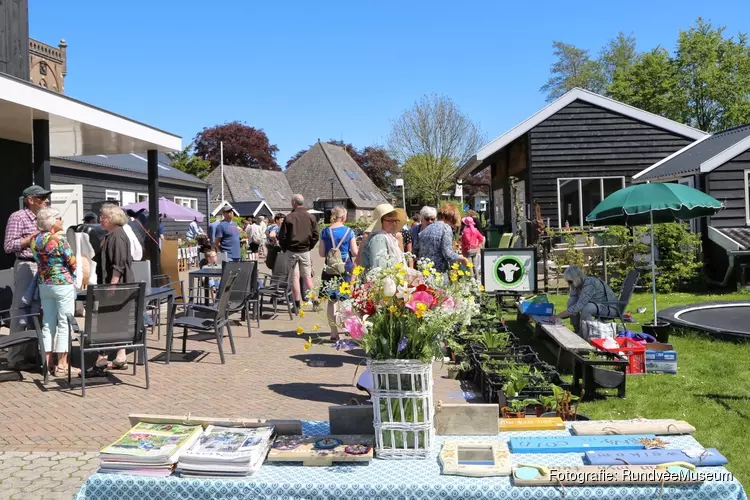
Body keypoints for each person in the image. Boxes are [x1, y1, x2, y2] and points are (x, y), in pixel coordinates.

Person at [3, 185, 50, 369]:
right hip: (26, 264)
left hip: (44, 266)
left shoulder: (45, 217)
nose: (47, 201)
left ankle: (31, 354)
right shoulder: (18, 217)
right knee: (21, 310)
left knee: (38, 309)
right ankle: (14, 357)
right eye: (42, 197)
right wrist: (33, 237)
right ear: (30, 200)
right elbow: (9, 245)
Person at [30, 208, 79, 377]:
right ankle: (62, 366)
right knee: (65, 322)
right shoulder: (59, 240)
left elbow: (37, 258)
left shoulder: (35, 240)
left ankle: (47, 363)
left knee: (48, 323)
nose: (62, 221)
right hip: (62, 283)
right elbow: (72, 261)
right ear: (51, 221)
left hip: (44, 284)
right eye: (59, 218)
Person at [97, 203, 136, 370]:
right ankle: (119, 356)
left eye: (104, 217)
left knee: (112, 318)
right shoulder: (111, 234)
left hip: (117, 285)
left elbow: (119, 264)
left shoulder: (118, 236)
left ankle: (104, 357)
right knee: (116, 318)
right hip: (112, 284)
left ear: (112, 219)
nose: (101, 219)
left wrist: (113, 285)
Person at [318, 206, 358, 340]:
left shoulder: (325, 231)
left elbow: (321, 253)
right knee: (346, 300)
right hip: (345, 267)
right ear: (344, 217)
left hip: (329, 268)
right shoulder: (349, 231)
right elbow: (354, 252)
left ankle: (333, 332)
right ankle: (348, 327)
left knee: (331, 301)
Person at [550, 266, 619, 336]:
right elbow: (573, 303)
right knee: (571, 301)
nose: (569, 284)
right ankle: (577, 330)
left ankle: (586, 334)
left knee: (587, 308)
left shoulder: (590, 283)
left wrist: (558, 316)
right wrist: (558, 316)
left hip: (610, 308)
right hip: (599, 306)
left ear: (576, 278)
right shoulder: (577, 285)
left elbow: (579, 306)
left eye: (570, 281)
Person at [279, 194, 319, 312]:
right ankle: (315, 301)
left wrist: (285, 248)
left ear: (294, 203)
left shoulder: (289, 218)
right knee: (307, 277)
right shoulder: (311, 217)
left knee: (295, 278)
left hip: (292, 251)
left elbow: (282, 236)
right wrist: (309, 246)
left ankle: (296, 304)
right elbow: (316, 235)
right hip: (305, 251)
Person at [417, 204, 469, 272]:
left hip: (425, 271)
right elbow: (447, 253)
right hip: (439, 272)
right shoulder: (445, 228)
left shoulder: (425, 230)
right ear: (451, 217)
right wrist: (462, 258)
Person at [360, 203, 407, 271]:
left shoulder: (389, 237)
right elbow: (379, 271)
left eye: (395, 221)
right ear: (380, 222)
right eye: (390, 221)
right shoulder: (378, 239)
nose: (394, 224)